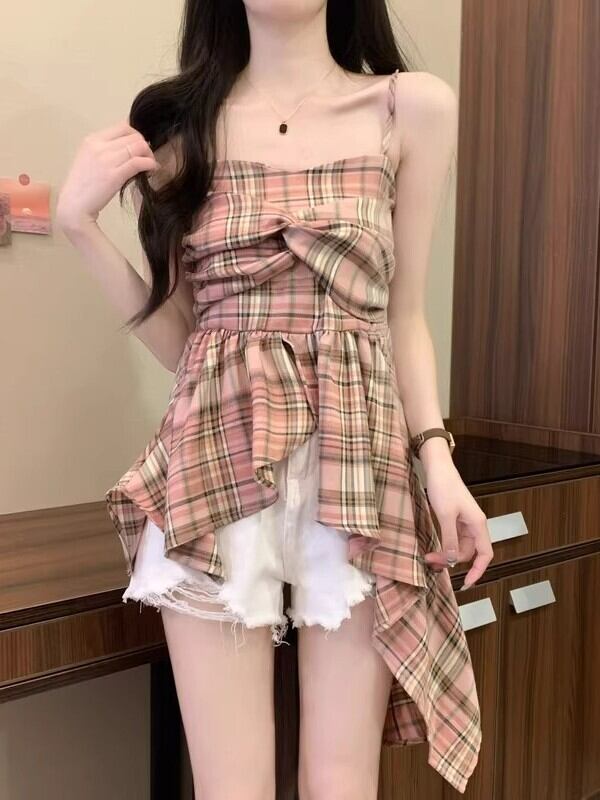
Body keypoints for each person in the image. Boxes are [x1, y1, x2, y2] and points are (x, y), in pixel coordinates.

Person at [57, 1, 493, 797]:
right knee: (232, 787)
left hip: (360, 466)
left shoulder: (412, 107)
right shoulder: (180, 130)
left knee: (342, 782)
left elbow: (403, 317)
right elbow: (191, 348)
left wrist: (439, 460)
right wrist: (79, 225)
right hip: (214, 454)